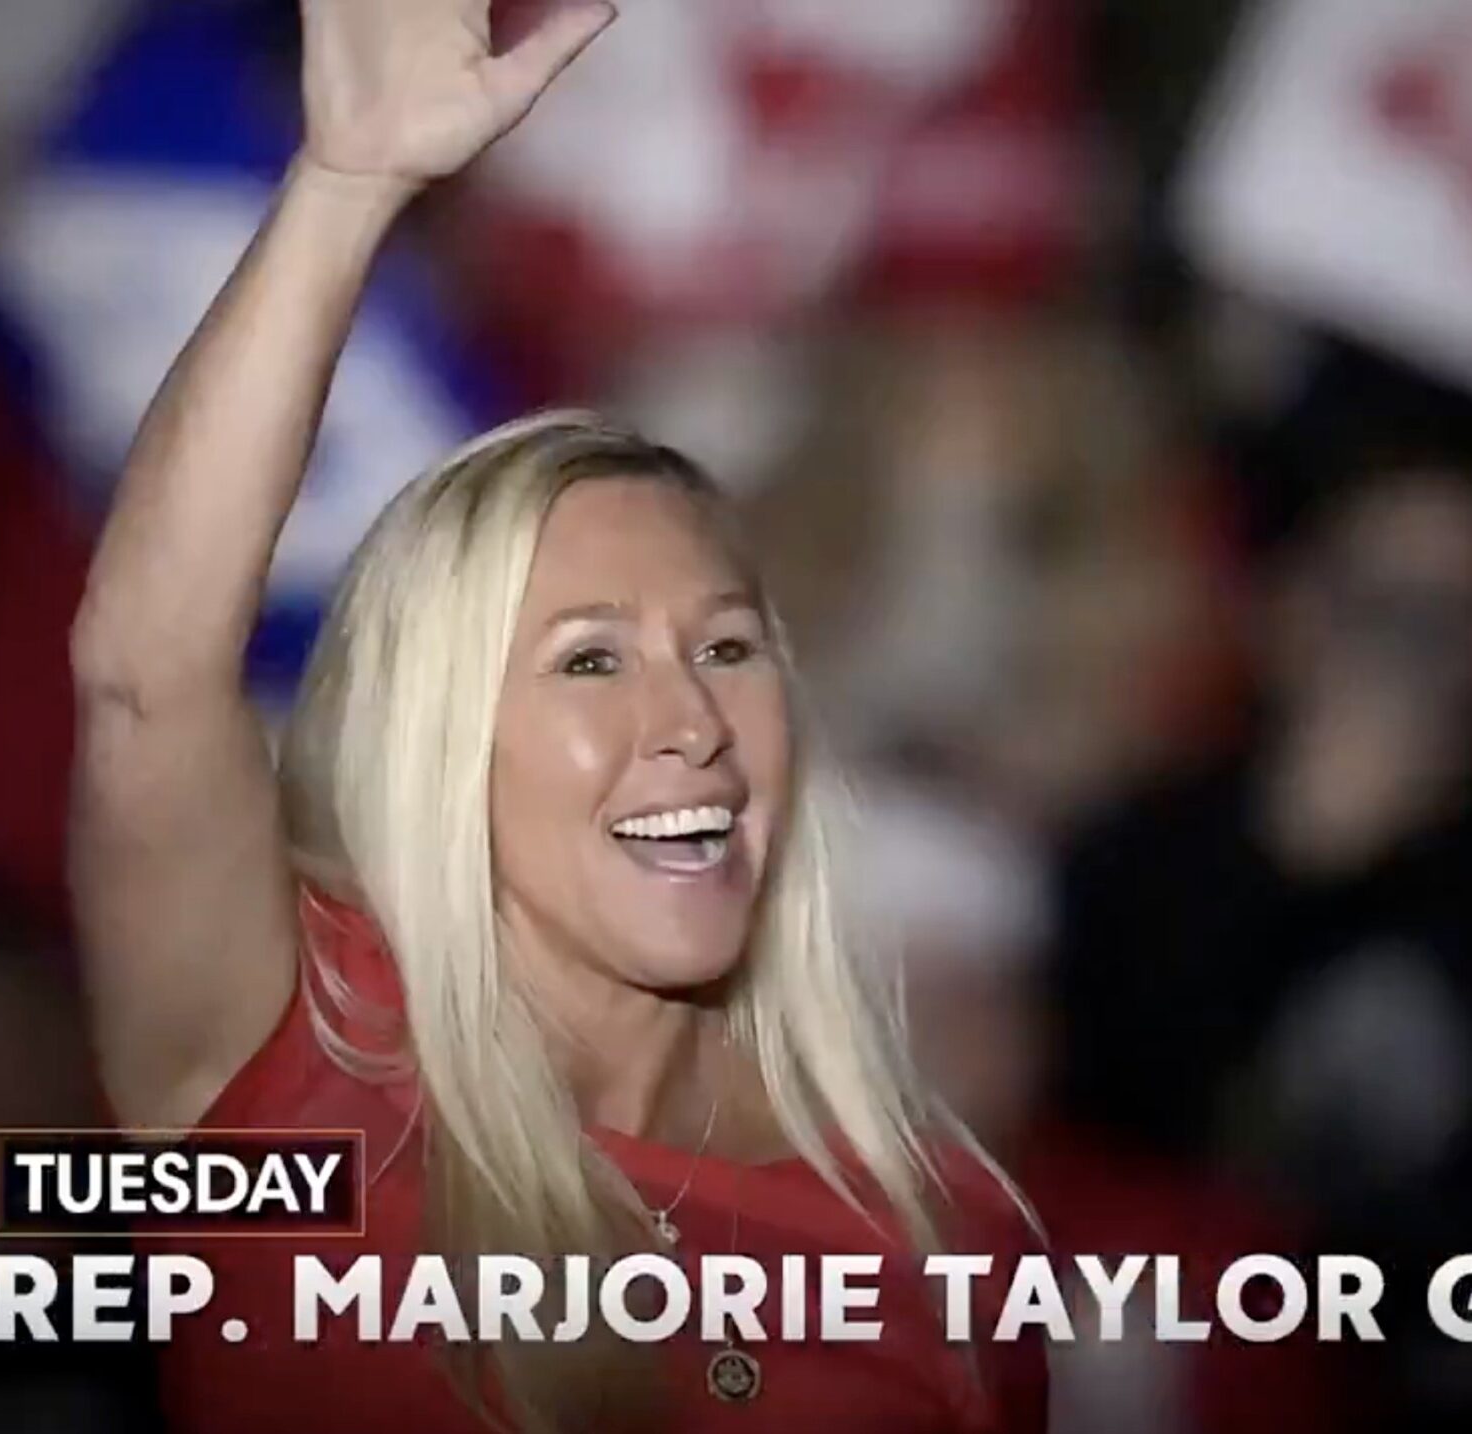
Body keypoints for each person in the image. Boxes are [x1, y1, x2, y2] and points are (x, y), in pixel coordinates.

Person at [66, 4, 1043, 1434]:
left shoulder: (939, 1239)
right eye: (590, 660)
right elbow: (146, 677)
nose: (691, 717)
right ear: (441, 727)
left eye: (727, 645)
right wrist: (348, 189)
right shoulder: (298, 1076)